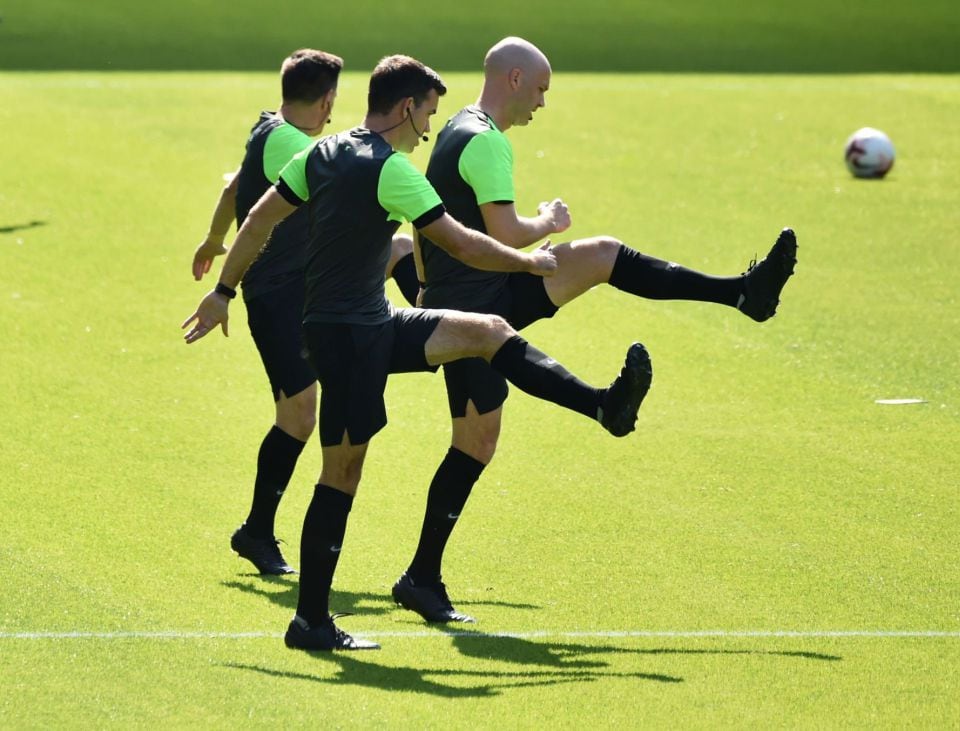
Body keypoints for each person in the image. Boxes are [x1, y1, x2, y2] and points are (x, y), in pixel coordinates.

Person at [182, 54, 653, 651]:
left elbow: (256, 217)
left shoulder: (318, 154)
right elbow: (466, 245)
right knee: (341, 474)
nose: (429, 128)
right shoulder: (393, 172)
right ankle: (309, 623)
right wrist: (529, 259)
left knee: (486, 331)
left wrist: (225, 291)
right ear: (406, 107)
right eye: (428, 113)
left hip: (357, 325)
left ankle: (602, 406)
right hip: (353, 339)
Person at [394, 36, 799, 624]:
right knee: (475, 441)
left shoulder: (468, 127)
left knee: (603, 255)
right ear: (513, 80)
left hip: (487, 288)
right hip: (472, 305)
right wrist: (547, 222)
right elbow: (505, 234)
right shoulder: (484, 143)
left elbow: (443, 224)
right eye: (539, 89)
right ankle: (422, 576)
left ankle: (741, 294)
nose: (542, 102)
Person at [190, 49, 422, 576]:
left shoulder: (266, 130)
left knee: (401, 250)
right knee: (297, 417)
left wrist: (212, 238)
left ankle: (436, 322)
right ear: (326, 100)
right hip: (279, 298)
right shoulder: (297, 145)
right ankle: (255, 530)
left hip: (307, 287)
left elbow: (233, 186)